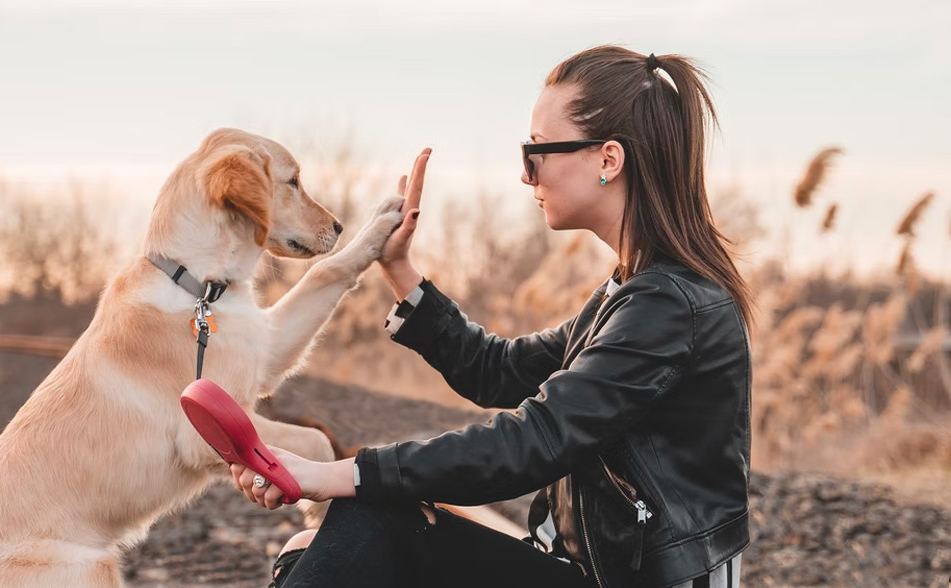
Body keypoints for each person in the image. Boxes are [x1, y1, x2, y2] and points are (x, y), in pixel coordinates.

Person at [231, 45, 755, 588]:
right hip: (589, 570)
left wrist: (340, 474)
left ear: (607, 160)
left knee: (374, 517)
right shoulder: (631, 291)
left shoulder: (670, 307)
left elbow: (533, 442)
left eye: (536, 153)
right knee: (308, 545)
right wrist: (399, 268)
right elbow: (499, 370)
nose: (527, 175)